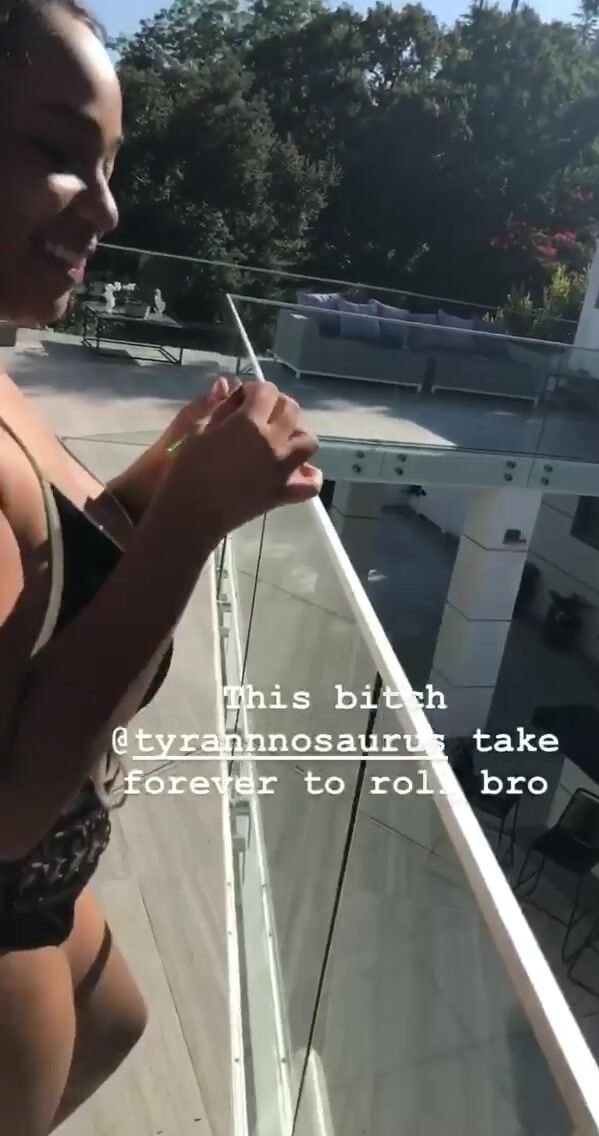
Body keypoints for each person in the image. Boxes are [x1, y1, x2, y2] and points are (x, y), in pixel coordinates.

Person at [0, 2, 322, 1131]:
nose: (106, 206)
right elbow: (9, 805)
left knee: (121, 1019)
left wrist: (156, 481)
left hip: (43, 886)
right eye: (57, 150)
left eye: (110, 165)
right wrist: (188, 525)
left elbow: (44, 572)